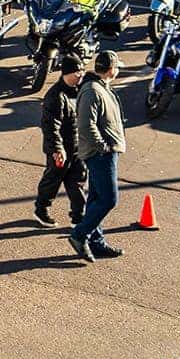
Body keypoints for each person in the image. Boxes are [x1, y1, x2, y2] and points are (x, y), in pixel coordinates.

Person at [68, 50, 126, 263]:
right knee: (109, 199)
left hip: (105, 152)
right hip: (100, 154)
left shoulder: (101, 87)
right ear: (111, 69)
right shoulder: (93, 90)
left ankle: (96, 241)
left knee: (95, 198)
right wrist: (103, 147)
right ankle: (79, 234)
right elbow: (86, 124)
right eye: (117, 67)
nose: (118, 70)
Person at [33, 55, 89, 229]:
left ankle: (78, 216)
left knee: (78, 180)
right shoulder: (56, 96)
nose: (80, 75)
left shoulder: (79, 90)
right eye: (76, 72)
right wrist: (57, 149)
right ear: (66, 73)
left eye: (82, 71)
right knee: (53, 179)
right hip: (61, 148)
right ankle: (42, 209)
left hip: (78, 147)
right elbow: (50, 125)